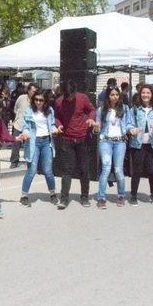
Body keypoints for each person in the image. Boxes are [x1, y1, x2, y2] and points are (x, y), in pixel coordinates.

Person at [55, 79, 97, 209]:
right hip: (67, 140)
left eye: (72, 95)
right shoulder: (59, 102)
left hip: (83, 139)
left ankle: (84, 197)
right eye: (68, 96)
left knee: (84, 169)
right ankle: (64, 198)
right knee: (67, 170)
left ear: (75, 91)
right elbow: (56, 117)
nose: (70, 98)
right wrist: (59, 125)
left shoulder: (83, 98)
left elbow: (92, 110)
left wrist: (91, 119)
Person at [94, 86, 134, 209]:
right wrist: (96, 127)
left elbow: (129, 124)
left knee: (118, 169)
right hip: (105, 141)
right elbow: (98, 128)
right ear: (108, 96)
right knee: (106, 167)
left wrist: (132, 129)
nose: (115, 97)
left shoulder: (125, 109)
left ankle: (121, 196)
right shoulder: (101, 109)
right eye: (112, 95)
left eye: (117, 94)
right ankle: (101, 198)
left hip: (120, 142)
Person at [19, 90, 59, 207]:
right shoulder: (29, 111)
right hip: (34, 142)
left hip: (47, 142)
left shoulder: (50, 110)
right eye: (36, 99)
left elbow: (51, 125)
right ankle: (24, 195)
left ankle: (52, 193)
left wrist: (55, 130)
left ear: (45, 101)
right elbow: (25, 126)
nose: (38, 102)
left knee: (48, 170)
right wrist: (25, 133)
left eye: (41, 100)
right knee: (32, 170)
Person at [128, 85, 153, 206]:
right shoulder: (134, 109)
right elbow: (129, 123)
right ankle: (133, 196)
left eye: (148, 93)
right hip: (137, 144)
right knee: (136, 171)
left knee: (152, 171)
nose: (145, 95)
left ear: (151, 94)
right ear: (140, 94)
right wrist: (131, 130)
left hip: (152, 144)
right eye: (143, 93)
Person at [10, 83, 37, 168]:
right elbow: (16, 108)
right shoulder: (21, 98)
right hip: (19, 124)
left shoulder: (36, 101)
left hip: (29, 126)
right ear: (28, 91)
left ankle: (28, 160)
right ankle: (14, 161)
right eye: (33, 91)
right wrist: (18, 117)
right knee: (16, 143)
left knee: (29, 143)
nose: (34, 93)